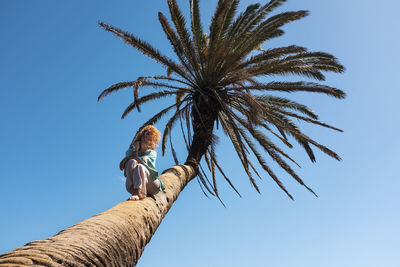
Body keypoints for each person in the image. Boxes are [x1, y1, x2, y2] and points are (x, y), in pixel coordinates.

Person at [119, 125, 165, 201]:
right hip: (136, 184)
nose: (146, 140)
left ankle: (139, 193)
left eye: (149, 138)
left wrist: (126, 159)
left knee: (140, 166)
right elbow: (124, 166)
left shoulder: (152, 152)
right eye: (144, 136)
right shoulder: (131, 151)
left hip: (152, 185)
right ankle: (134, 190)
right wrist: (136, 150)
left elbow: (142, 161)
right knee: (131, 162)